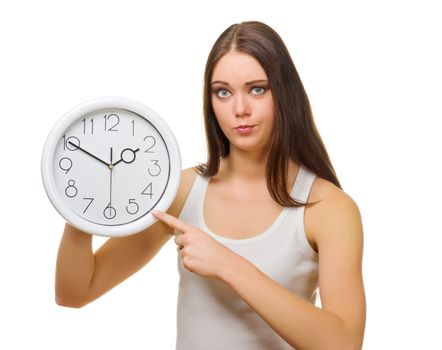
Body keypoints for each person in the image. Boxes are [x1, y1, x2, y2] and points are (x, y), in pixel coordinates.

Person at [56, 21, 366, 350]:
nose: (240, 109)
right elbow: (76, 292)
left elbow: (344, 343)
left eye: (257, 89)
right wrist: (79, 207)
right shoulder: (181, 190)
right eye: (223, 91)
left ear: (284, 92)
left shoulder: (328, 208)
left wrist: (227, 264)